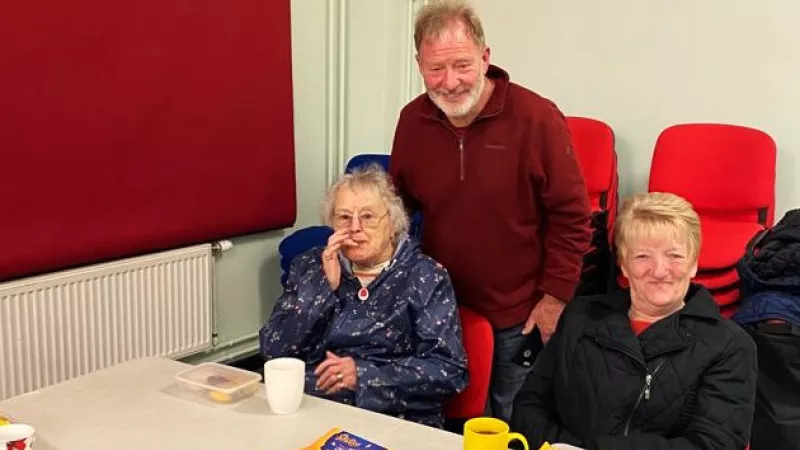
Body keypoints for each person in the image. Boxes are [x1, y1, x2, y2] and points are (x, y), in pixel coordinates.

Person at [389, 0, 591, 422]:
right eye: (435, 69)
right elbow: (399, 211)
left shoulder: (537, 118)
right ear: (418, 65)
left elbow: (571, 217)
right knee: (442, 419)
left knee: (508, 419)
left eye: (462, 65)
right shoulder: (411, 121)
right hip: (438, 308)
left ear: (485, 57)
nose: (450, 82)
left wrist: (554, 298)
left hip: (517, 313)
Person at [510, 192, 757, 450]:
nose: (660, 271)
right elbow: (529, 405)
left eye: (674, 256)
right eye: (642, 257)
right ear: (624, 266)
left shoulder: (731, 346)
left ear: (693, 264)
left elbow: (714, 444)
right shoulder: (579, 316)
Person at [259, 165, 468, 428]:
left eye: (368, 216)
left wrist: (362, 375)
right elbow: (274, 351)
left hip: (395, 419)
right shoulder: (311, 266)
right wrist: (323, 287)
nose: (355, 228)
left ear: (392, 223)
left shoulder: (425, 276)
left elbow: (448, 371)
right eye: (344, 217)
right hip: (312, 409)